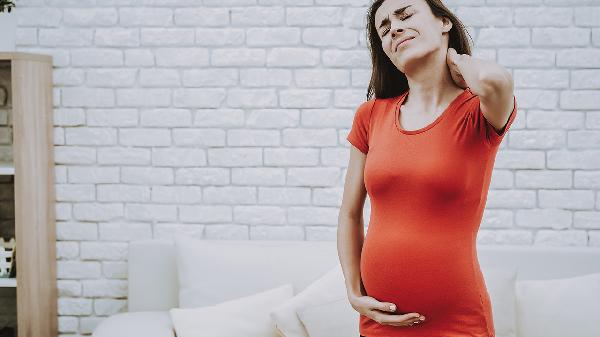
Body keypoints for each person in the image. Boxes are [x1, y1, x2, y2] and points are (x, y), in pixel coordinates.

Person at [337, 1, 517, 336]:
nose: (395, 28)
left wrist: (455, 59)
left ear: (444, 22)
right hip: (379, 320)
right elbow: (349, 212)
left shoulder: (478, 112)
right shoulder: (370, 115)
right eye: (385, 28)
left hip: (457, 322)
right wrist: (353, 292)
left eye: (405, 15)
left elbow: (495, 79)